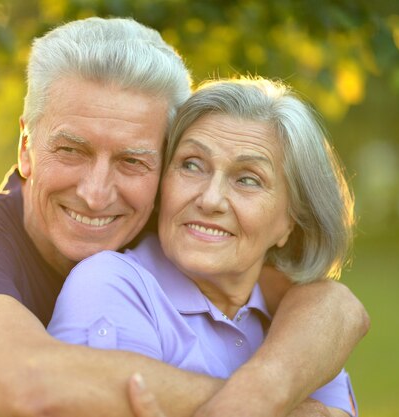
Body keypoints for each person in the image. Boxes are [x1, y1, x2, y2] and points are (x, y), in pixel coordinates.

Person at [0, 17, 369, 417]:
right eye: (71, 150)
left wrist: (269, 385)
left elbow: (331, 305)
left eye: (132, 161)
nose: (95, 193)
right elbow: (34, 386)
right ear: (26, 147)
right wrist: (265, 404)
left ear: (161, 166)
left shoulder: (169, 221)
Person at [48, 76, 359, 417]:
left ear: (291, 222)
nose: (211, 200)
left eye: (248, 179)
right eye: (192, 165)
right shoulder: (110, 283)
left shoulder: (300, 326)